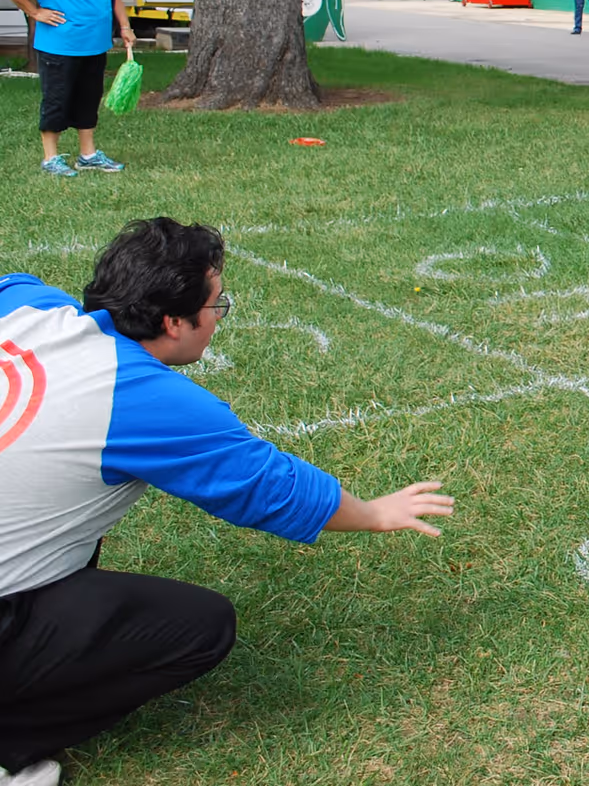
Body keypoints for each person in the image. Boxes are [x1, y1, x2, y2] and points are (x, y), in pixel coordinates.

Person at [0, 218, 453, 786]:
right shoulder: (142, 396)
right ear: (173, 322)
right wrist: (374, 512)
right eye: (217, 307)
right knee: (200, 627)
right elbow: (268, 485)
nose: (218, 318)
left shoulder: (24, 302)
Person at [0, 0, 138, 178]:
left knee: (88, 98)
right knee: (57, 98)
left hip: (95, 42)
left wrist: (124, 26)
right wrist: (34, 12)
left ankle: (87, 155)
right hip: (60, 43)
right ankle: (51, 158)